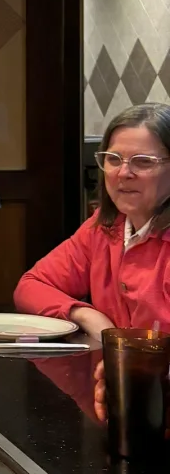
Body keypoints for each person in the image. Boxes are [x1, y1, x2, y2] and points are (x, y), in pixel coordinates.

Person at [14, 102, 170, 416]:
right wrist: (91, 319)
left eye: (142, 162)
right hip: (120, 409)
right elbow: (31, 286)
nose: (124, 173)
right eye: (113, 159)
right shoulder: (103, 227)